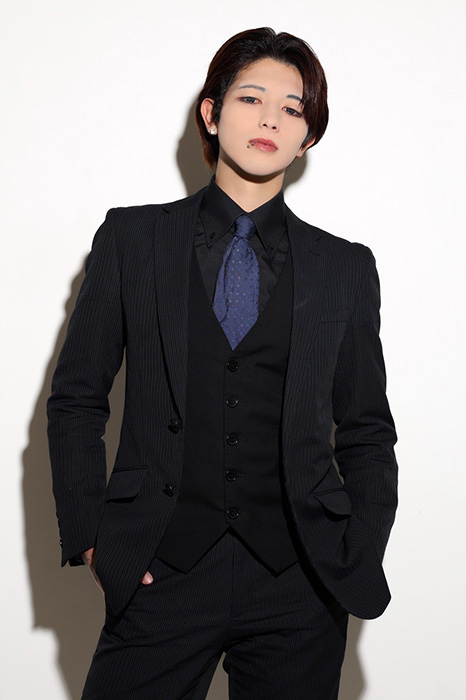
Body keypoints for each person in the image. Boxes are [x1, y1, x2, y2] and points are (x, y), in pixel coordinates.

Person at [47, 26, 398, 700]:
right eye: (251, 98)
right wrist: (93, 537)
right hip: (160, 570)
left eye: (293, 108)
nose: (270, 119)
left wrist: (356, 550)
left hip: (301, 584)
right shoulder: (132, 239)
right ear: (211, 113)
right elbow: (77, 399)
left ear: (308, 137)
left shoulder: (345, 267)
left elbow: (366, 430)